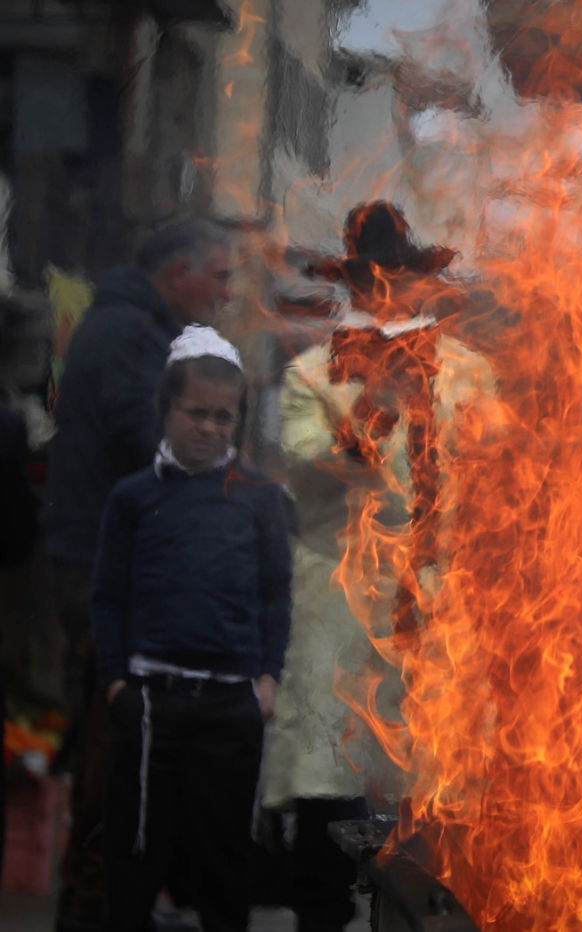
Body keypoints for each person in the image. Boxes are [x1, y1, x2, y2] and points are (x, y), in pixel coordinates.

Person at [262, 202, 497, 930]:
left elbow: (498, 474)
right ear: (356, 287)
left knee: (433, 787)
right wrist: (377, 406)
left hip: (438, 600)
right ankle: (321, 918)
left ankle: (415, 918)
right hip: (340, 600)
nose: (389, 291)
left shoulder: (468, 374)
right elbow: (307, 464)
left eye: (402, 276)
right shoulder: (312, 373)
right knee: (328, 775)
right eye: (373, 278)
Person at [46, 218, 233, 931]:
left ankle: (112, 899)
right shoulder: (130, 334)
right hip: (105, 572)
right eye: (218, 275)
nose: (225, 291)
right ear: (176, 273)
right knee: (114, 742)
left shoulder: (130, 327)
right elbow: (153, 437)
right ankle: (98, 906)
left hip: (107, 564)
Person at [91, 325, 290, 932]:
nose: (208, 428)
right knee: (137, 847)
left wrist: (267, 678)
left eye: (223, 418)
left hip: (232, 702)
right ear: (166, 409)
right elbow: (108, 595)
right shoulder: (133, 497)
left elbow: (274, 595)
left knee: (225, 852)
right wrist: (116, 682)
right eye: (195, 413)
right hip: (152, 700)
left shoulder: (258, 500)